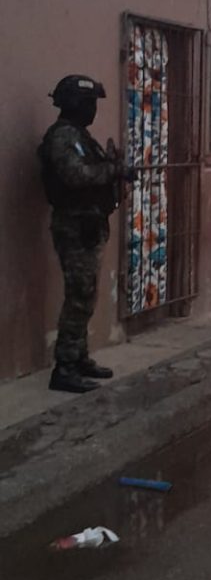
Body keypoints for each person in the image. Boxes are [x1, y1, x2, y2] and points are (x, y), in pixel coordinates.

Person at [38, 74, 133, 394]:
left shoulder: (79, 136)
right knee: (79, 295)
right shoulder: (62, 137)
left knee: (87, 294)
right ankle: (64, 367)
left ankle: (78, 357)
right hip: (74, 226)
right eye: (89, 103)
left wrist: (114, 167)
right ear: (75, 104)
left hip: (88, 224)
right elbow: (76, 175)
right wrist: (113, 170)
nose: (93, 109)